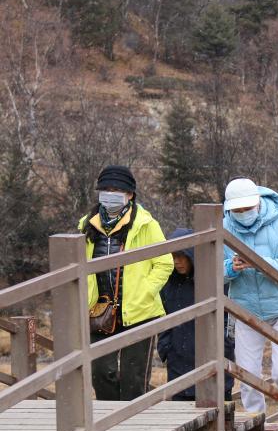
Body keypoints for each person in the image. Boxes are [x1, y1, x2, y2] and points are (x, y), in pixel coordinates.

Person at [80, 165, 173, 401]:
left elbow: (164, 263)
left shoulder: (146, 224)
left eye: (116, 190)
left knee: (134, 377)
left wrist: (146, 291)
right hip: (99, 309)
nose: (110, 194)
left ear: (130, 194)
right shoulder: (86, 224)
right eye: (106, 189)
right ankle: (112, 417)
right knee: (101, 372)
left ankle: (134, 418)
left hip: (138, 310)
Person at [223, 178, 278, 430]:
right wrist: (231, 268)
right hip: (245, 309)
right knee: (248, 375)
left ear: (257, 203)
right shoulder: (223, 228)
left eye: (247, 208)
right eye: (237, 210)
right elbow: (211, 270)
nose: (243, 213)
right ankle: (254, 423)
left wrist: (260, 263)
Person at [158, 228, 235, 401]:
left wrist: (224, 347)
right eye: (173, 256)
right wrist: (165, 347)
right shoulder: (168, 283)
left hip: (212, 359)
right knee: (181, 413)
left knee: (218, 411)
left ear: (192, 255)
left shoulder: (214, 280)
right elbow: (163, 316)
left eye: (181, 256)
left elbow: (227, 318)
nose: (177, 261)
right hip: (178, 360)